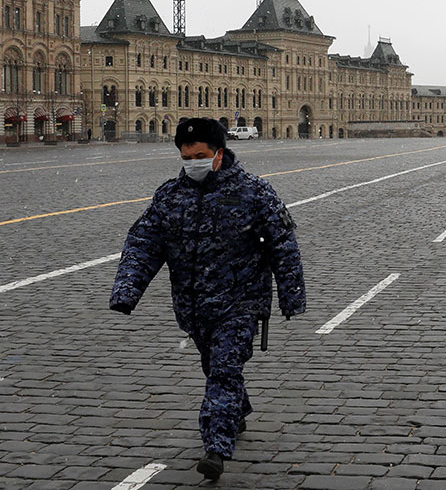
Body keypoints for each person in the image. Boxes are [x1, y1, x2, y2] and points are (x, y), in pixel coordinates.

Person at [109, 117, 305, 480]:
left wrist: (291, 296)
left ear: (219, 153)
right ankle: (236, 410)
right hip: (194, 307)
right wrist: (126, 290)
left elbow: (283, 245)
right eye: (186, 157)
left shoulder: (254, 193)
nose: (192, 163)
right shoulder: (169, 195)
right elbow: (144, 243)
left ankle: (216, 446)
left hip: (241, 302)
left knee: (224, 370)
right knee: (215, 367)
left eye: (199, 155)